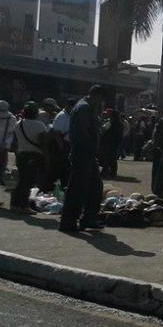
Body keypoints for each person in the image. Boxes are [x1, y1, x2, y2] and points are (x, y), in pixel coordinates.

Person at [60, 85, 105, 232]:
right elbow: (81, 133)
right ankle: (69, 221)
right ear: (96, 96)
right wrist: (91, 148)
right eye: (100, 99)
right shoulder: (84, 108)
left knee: (95, 187)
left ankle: (89, 218)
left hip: (87, 154)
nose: (100, 103)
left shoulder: (87, 107)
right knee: (78, 188)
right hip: (83, 153)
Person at [10, 101, 47, 210]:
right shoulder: (39, 125)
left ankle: (15, 204)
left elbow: (14, 142)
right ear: (35, 113)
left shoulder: (18, 124)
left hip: (21, 155)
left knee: (22, 180)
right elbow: (43, 143)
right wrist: (47, 156)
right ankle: (24, 206)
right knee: (28, 181)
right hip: (34, 156)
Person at [98, 109, 123, 178]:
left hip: (108, 143)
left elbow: (103, 129)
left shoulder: (110, 123)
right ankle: (113, 172)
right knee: (113, 158)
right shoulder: (120, 124)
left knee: (107, 157)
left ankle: (105, 172)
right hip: (115, 143)